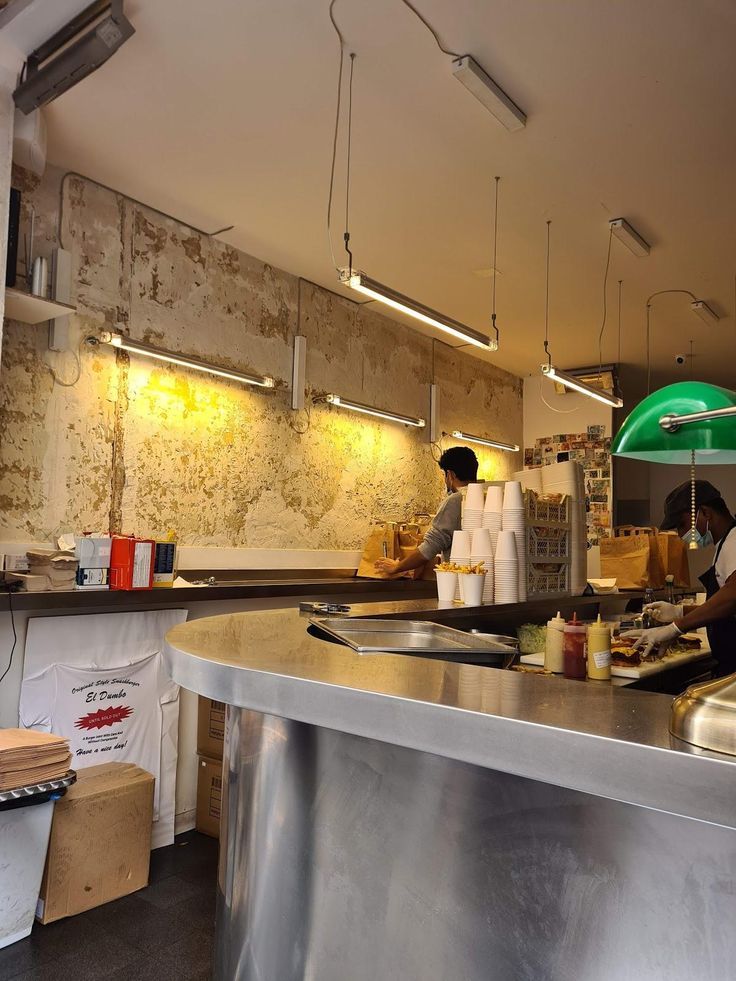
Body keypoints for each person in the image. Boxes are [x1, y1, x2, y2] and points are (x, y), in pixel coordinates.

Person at [626, 479, 736, 677]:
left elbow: (732, 596)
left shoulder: (734, 540)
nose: (681, 534)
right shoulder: (724, 543)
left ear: (705, 513)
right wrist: (680, 611)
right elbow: (724, 610)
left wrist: (676, 627)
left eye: (682, 524)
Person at [374, 446, 479, 577]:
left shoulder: (456, 500)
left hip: (460, 581)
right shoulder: (485, 497)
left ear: (450, 475)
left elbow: (430, 547)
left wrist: (398, 566)